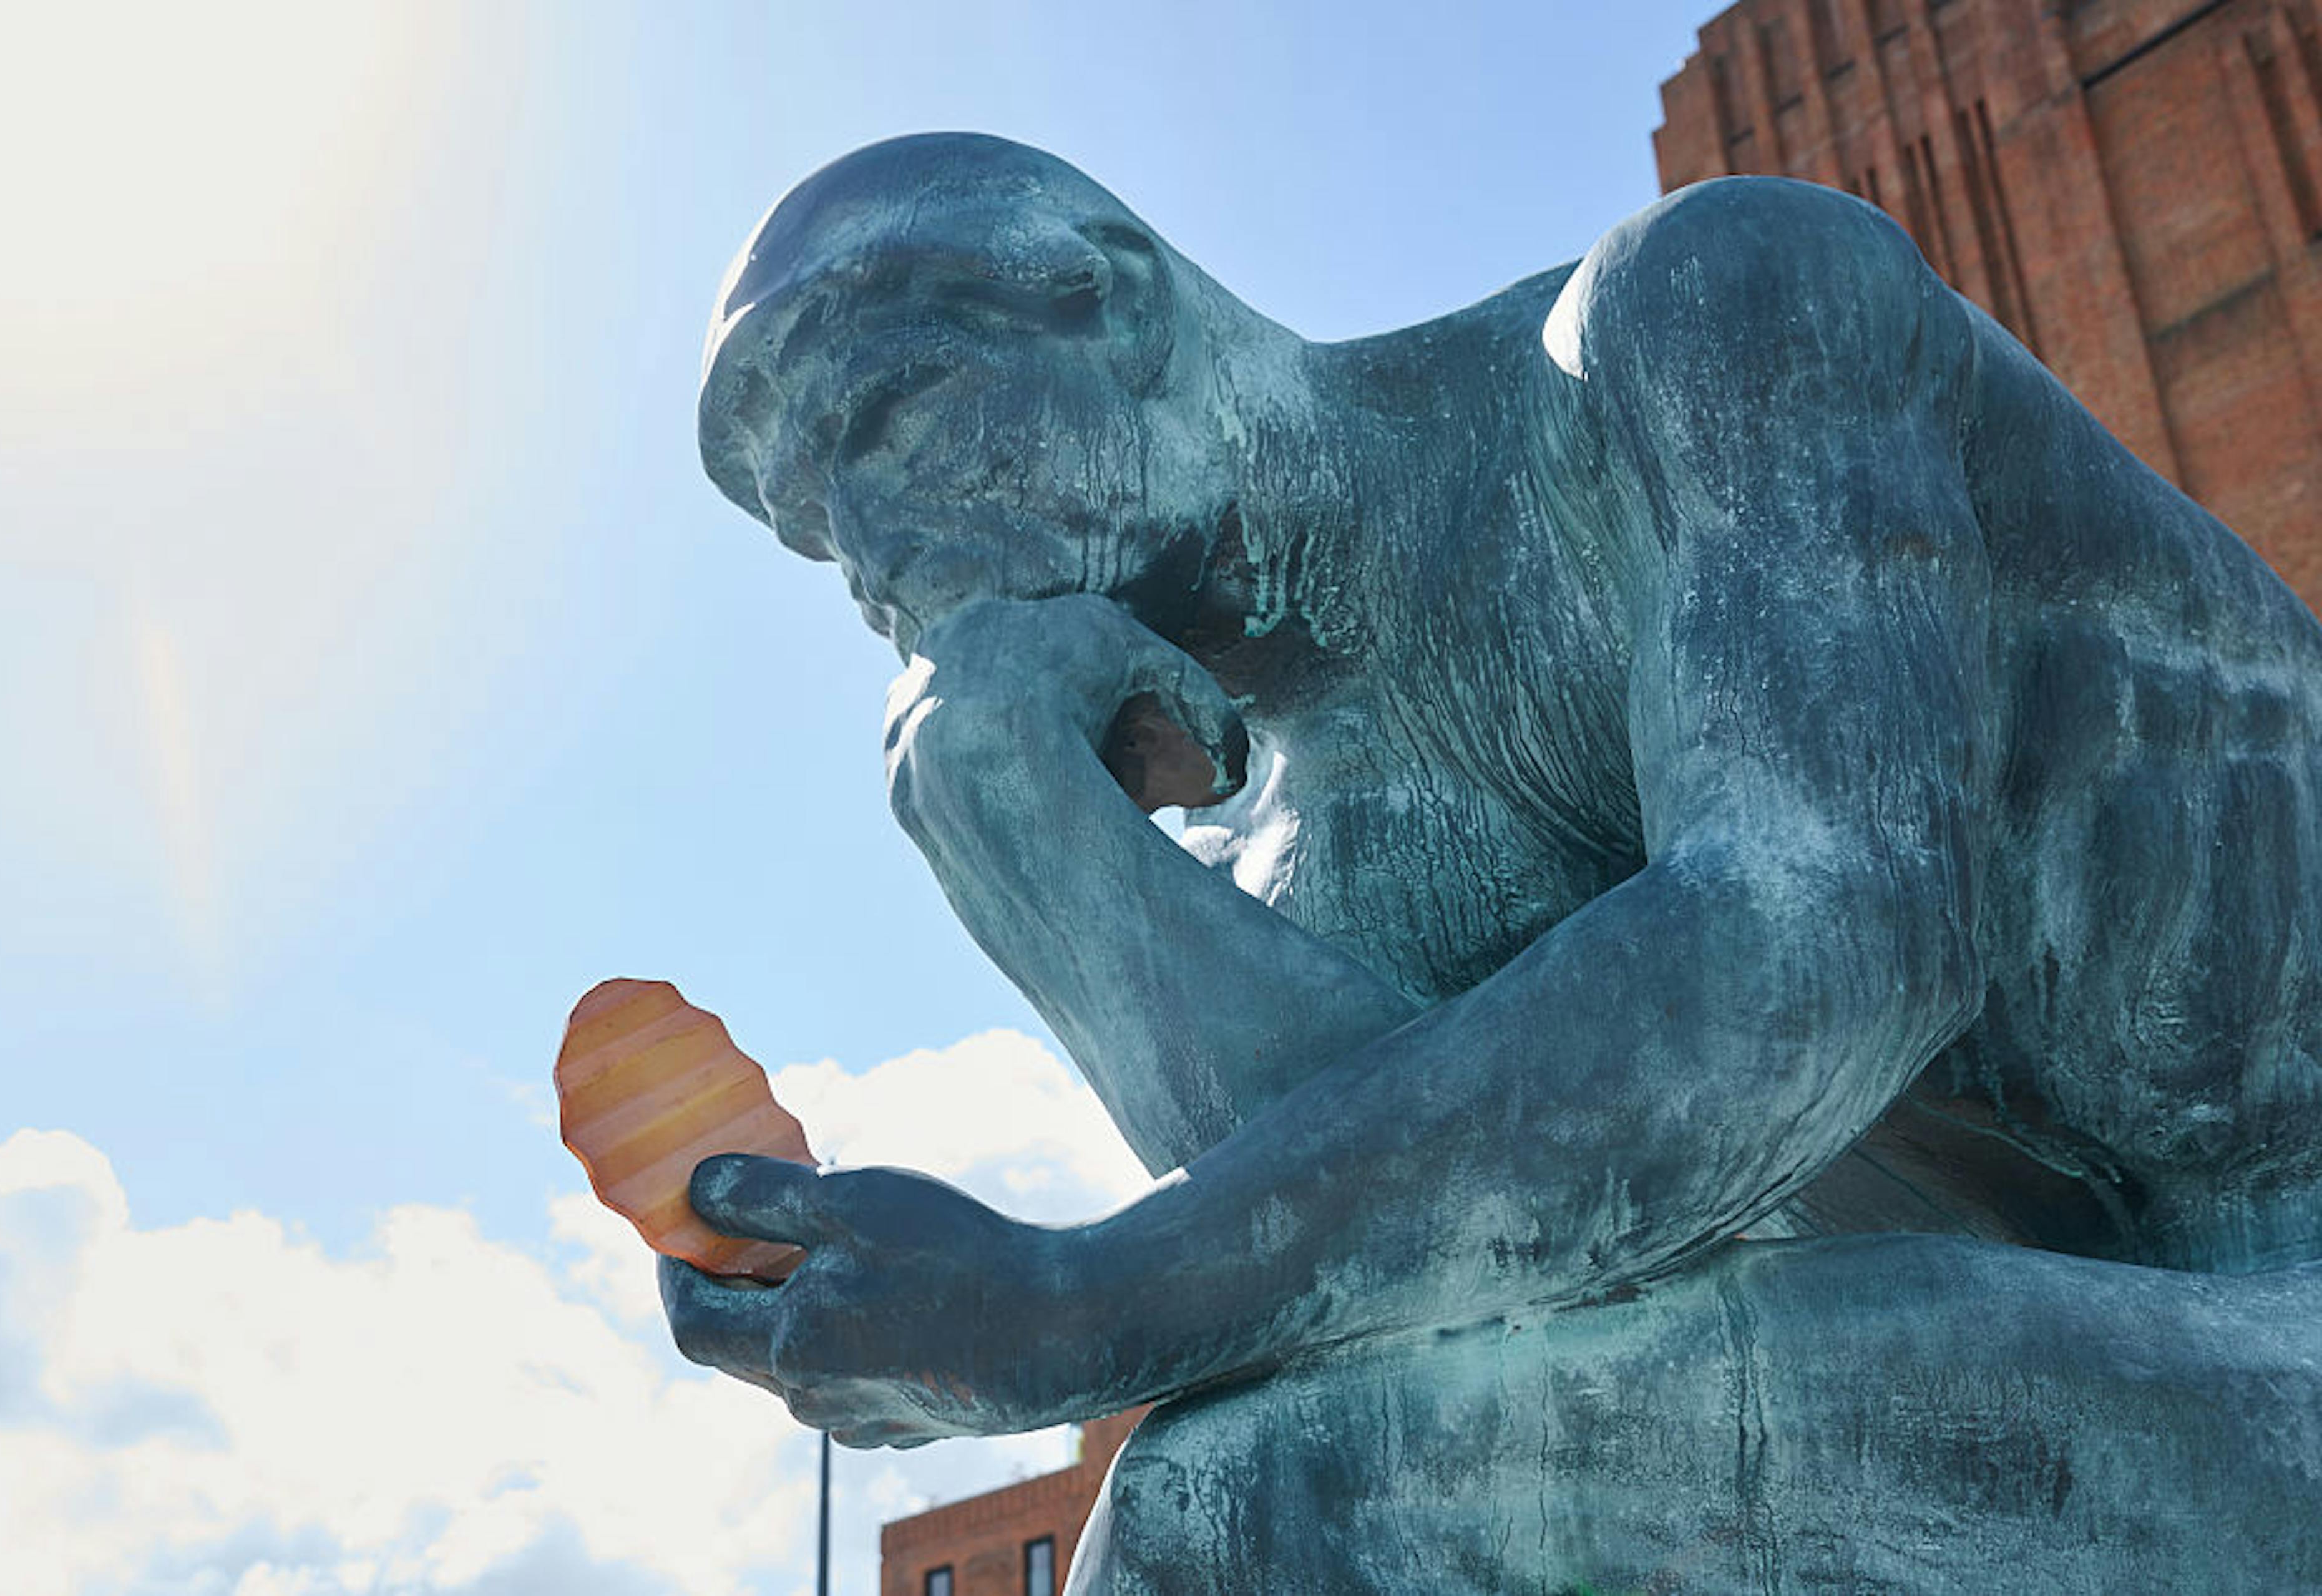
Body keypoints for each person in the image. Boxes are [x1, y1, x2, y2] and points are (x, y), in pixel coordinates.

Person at [672, 132, 2322, 1590]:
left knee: (1255, 1505)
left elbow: (1811, 940)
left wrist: (1089, 1294)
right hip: (2049, 1354)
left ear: (1108, 302)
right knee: (1277, 1458)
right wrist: (1030, 840)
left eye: (888, 423)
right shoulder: (1295, 861)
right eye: (821, 538)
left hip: (2275, 1299)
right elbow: (1423, 1272)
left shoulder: (1704, 314)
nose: (881, 560)